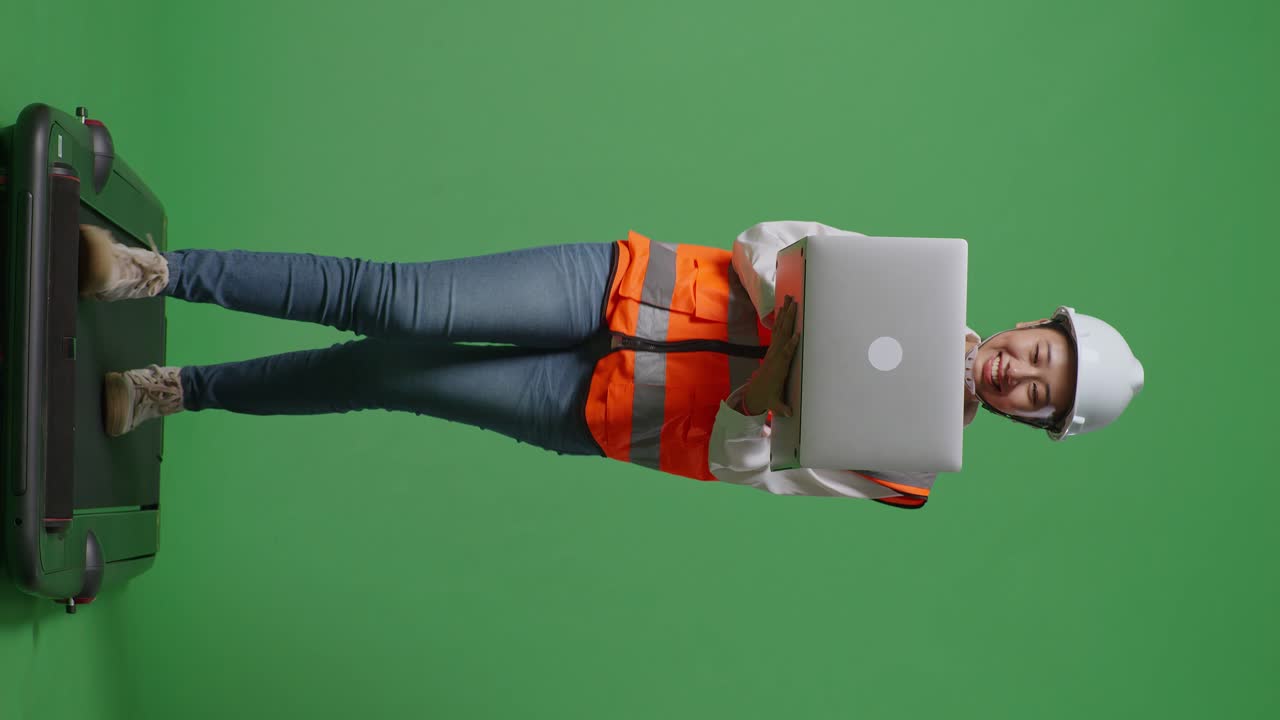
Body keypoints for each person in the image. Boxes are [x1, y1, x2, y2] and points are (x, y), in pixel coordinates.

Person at [77, 220, 1144, 509]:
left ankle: (176, 390)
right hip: (613, 284)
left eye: (1034, 398)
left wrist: (772, 383)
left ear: (1021, 422)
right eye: (1035, 355)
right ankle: (153, 273)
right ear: (1026, 325)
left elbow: (743, 467)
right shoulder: (924, 284)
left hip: (590, 410)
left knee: (381, 375)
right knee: (389, 296)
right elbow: (773, 238)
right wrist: (790, 308)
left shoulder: (900, 463)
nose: (1014, 375)